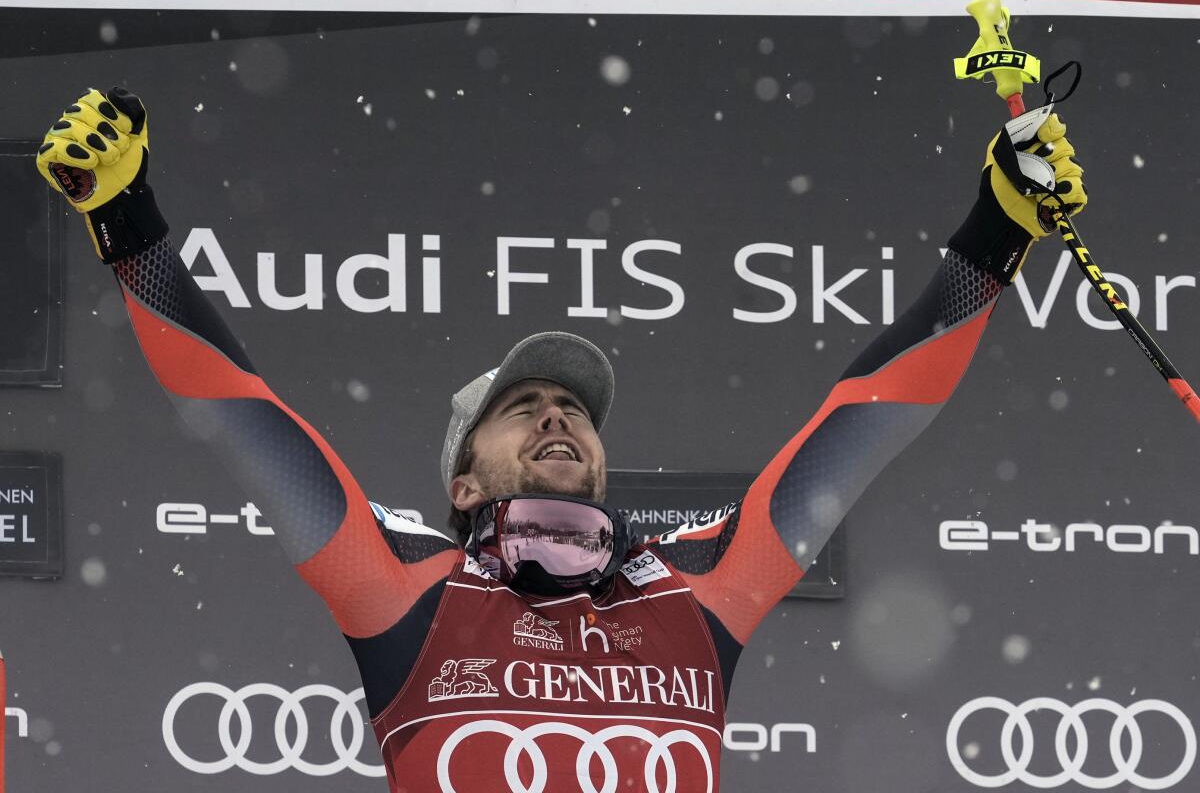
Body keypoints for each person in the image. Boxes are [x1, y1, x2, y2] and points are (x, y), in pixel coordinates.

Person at [36, 86, 1085, 792]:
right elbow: (243, 414)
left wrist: (994, 232)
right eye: (519, 405)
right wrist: (128, 220)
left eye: (574, 408)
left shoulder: (698, 584)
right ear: (460, 481)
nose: (556, 415)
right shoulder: (404, 586)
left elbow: (864, 420)